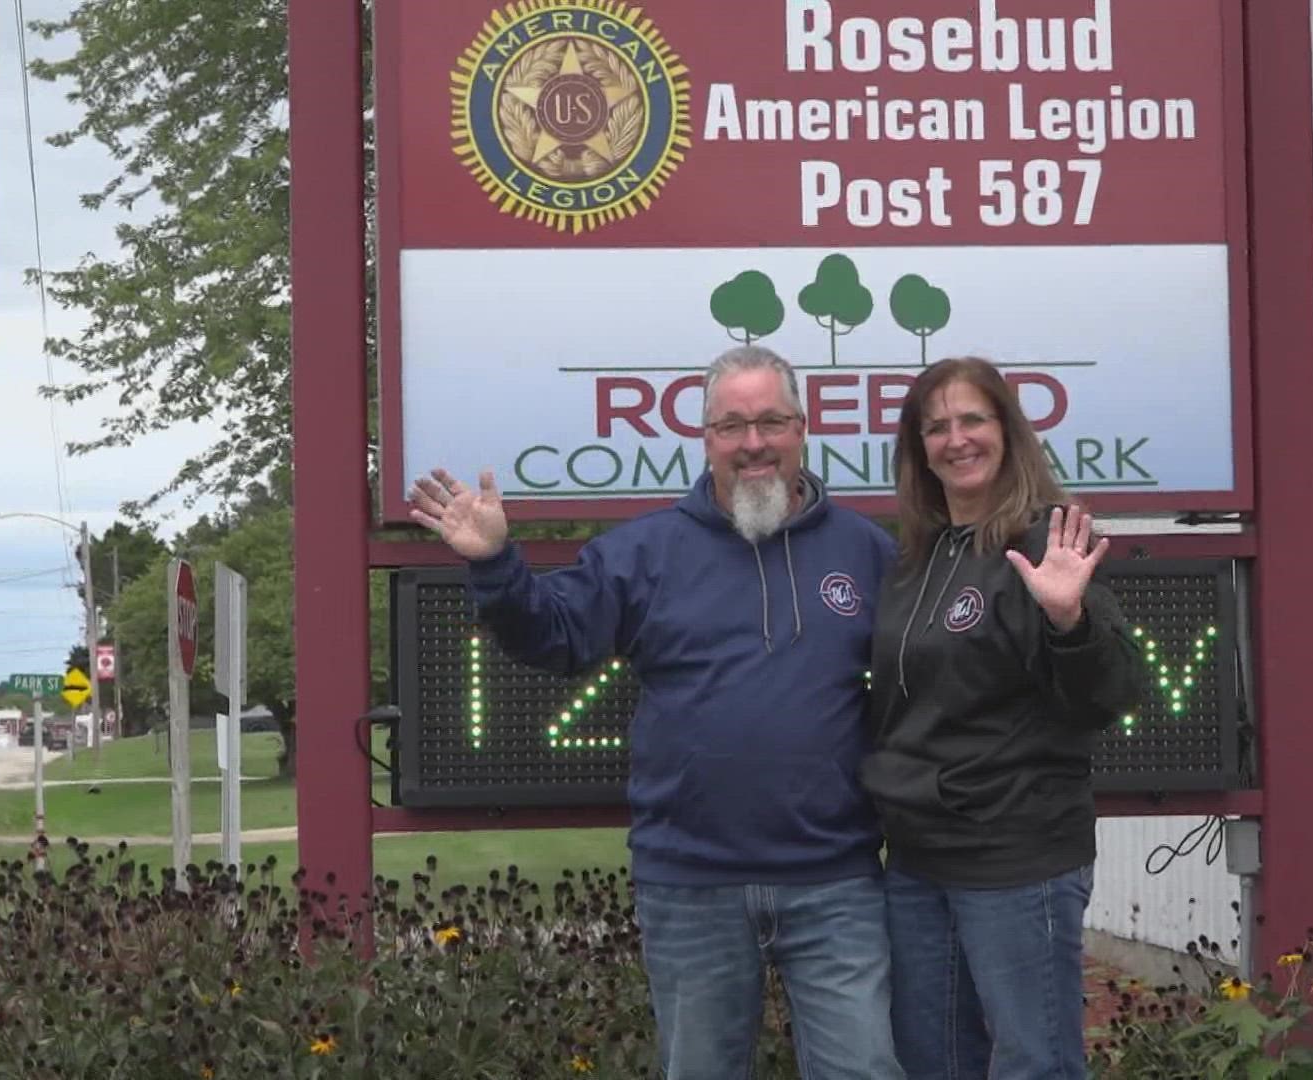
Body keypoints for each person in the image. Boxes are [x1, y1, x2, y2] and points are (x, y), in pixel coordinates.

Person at [407, 345, 905, 1080]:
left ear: (803, 427)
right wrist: (496, 565)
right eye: (731, 426)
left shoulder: (867, 551)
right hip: (691, 885)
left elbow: (924, 686)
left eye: (770, 421)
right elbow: (555, 635)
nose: (753, 443)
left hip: (836, 885)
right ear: (705, 439)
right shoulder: (644, 552)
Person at [860, 356, 1147, 1079]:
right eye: (937, 427)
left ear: (1007, 431)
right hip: (919, 862)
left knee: (1034, 1063)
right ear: (918, 448)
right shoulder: (914, 561)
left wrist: (1069, 619)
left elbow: (1110, 695)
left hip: (1016, 858)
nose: (956, 439)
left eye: (972, 420)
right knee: (935, 1063)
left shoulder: (1045, 544)